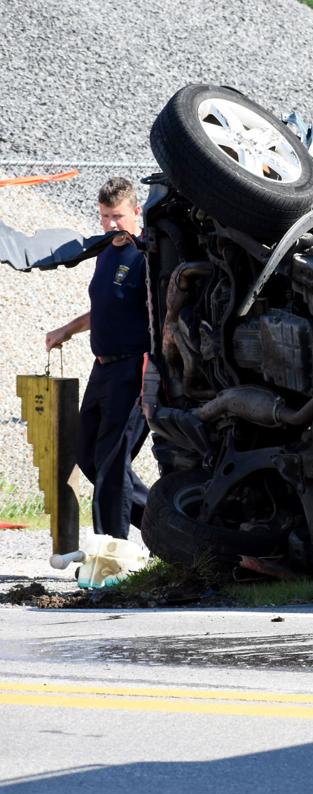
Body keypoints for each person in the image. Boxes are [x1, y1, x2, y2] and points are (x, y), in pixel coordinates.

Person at [45, 177, 150, 539]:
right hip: (102, 368)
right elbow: (105, 308)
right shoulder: (105, 252)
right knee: (87, 453)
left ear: (136, 212)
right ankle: (162, 525)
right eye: (105, 216)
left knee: (111, 461)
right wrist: (67, 329)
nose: (110, 224)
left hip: (134, 369)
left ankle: (110, 552)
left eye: (117, 216)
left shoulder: (147, 256)